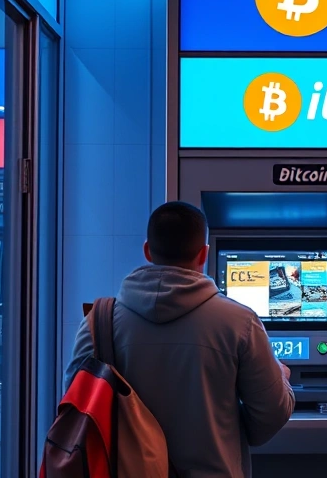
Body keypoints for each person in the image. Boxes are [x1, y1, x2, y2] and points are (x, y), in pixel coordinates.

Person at [64, 201, 295, 478]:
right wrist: (279, 378)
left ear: (147, 251)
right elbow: (271, 415)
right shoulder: (241, 322)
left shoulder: (99, 321)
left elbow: (78, 404)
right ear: (204, 254)